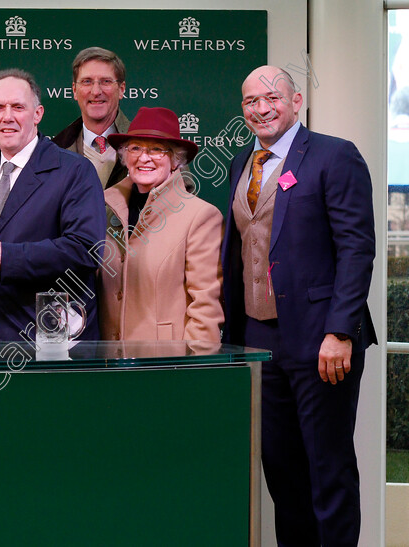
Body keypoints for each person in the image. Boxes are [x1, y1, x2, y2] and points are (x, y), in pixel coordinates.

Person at [221, 65, 376, 546]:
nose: (260, 108)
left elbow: (357, 247)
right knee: (283, 474)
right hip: (260, 339)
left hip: (320, 338)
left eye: (271, 97)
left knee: (326, 469)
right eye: (250, 101)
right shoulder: (241, 162)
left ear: (295, 102)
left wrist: (341, 330)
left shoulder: (334, 156)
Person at [0, 69, 105, 341]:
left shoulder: (74, 171)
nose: (7, 117)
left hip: (51, 343)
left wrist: (7, 256)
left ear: (38, 114)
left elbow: (87, 250)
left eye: (18, 107)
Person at [98, 107, 223, 341]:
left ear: (175, 160)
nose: (144, 158)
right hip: (106, 360)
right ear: (125, 156)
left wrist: (194, 365)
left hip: (166, 364)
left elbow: (205, 308)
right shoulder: (103, 206)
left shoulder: (201, 216)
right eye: (135, 148)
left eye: (156, 150)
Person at [52, 47, 131, 189]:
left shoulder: (151, 144)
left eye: (106, 81)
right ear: (75, 91)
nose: (96, 91)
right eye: (87, 82)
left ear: (121, 89)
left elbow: (181, 200)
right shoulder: (54, 151)